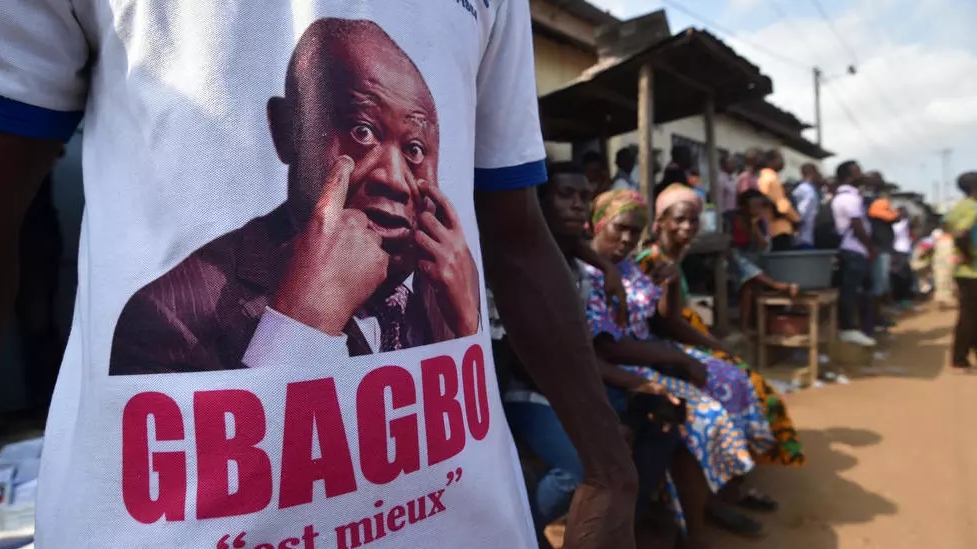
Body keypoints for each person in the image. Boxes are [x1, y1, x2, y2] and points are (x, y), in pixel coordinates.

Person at [0, 8, 637, 549]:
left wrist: (610, 468)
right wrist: (299, 323)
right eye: (359, 131)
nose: (393, 176)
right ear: (284, 130)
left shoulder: (438, 287)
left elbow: (519, 236)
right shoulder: (169, 313)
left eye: (415, 149)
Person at [490, 163, 681, 545]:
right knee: (582, 466)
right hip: (523, 391)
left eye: (584, 198)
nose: (578, 206)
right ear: (539, 203)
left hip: (565, 387)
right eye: (566, 195)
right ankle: (519, 533)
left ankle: (636, 521)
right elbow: (538, 359)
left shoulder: (579, 269)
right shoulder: (512, 266)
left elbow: (583, 351)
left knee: (656, 421)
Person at [586, 189, 779, 541]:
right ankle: (695, 528)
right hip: (624, 370)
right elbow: (610, 347)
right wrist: (679, 356)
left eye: (634, 230)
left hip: (651, 355)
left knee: (730, 382)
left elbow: (662, 319)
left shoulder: (627, 266)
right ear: (597, 223)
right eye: (620, 228)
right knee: (702, 417)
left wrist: (672, 283)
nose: (628, 238)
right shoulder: (589, 273)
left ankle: (717, 497)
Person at [728, 189, 800, 330]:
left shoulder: (760, 223)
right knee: (745, 270)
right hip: (735, 259)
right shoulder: (733, 220)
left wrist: (755, 226)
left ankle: (750, 326)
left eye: (760, 206)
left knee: (749, 287)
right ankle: (777, 284)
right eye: (754, 206)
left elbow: (763, 246)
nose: (758, 209)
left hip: (753, 260)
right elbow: (733, 244)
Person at [831, 160, 878, 347]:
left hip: (855, 249)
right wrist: (870, 247)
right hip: (853, 249)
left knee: (858, 290)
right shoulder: (848, 199)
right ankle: (849, 329)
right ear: (849, 176)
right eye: (858, 171)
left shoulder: (849, 196)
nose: (862, 175)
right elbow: (857, 226)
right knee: (852, 291)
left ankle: (859, 328)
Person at [944, 172, 977, 372]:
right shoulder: (973, 207)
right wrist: (968, 254)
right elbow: (961, 233)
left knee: (970, 314)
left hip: (962, 270)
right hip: (972, 269)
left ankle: (963, 354)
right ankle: (960, 357)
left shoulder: (958, 207)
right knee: (969, 316)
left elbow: (947, 225)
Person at [865, 171, 901, 329]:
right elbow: (891, 217)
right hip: (878, 247)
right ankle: (874, 319)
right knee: (878, 284)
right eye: (878, 178)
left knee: (881, 283)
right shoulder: (871, 198)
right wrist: (897, 214)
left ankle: (877, 317)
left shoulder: (876, 198)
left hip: (882, 246)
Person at [757, 150, 800, 251]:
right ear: (772, 161)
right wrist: (797, 219)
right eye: (780, 159)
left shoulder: (761, 178)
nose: (783, 162)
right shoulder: (771, 179)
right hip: (779, 228)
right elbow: (782, 205)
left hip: (768, 227)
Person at [792, 163, 823, 249]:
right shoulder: (808, 191)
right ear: (812, 173)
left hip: (804, 235)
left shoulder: (799, 189)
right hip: (804, 236)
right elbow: (802, 213)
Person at [890, 208, 915, 309]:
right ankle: (900, 300)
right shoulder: (896, 225)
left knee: (905, 276)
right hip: (898, 251)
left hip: (903, 251)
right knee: (899, 276)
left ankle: (905, 300)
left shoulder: (904, 223)